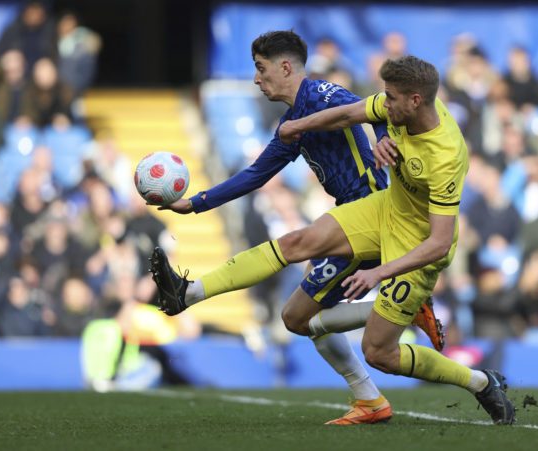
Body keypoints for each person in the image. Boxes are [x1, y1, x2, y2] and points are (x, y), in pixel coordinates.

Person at [151, 53, 515, 424]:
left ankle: (480, 382)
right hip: (383, 210)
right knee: (296, 246)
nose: (383, 104)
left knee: (379, 353)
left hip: (417, 245)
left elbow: (439, 242)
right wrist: (297, 127)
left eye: (390, 98)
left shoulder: (447, 156)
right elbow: (350, 115)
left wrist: (379, 273)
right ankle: (189, 292)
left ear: (415, 101)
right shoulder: (393, 107)